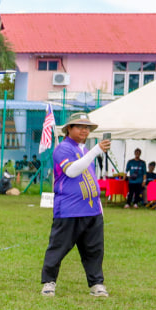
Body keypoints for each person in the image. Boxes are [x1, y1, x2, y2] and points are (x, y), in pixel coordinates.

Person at [41, 111, 109, 298]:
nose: (84, 130)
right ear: (69, 129)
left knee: (94, 249)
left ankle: (96, 283)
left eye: (87, 127)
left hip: (91, 209)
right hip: (69, 209)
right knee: (58, 247)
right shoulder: (62, 149)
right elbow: (72, 171)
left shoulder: (83, 150)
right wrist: (97, 151)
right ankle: (49, 282)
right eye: (79, 126)